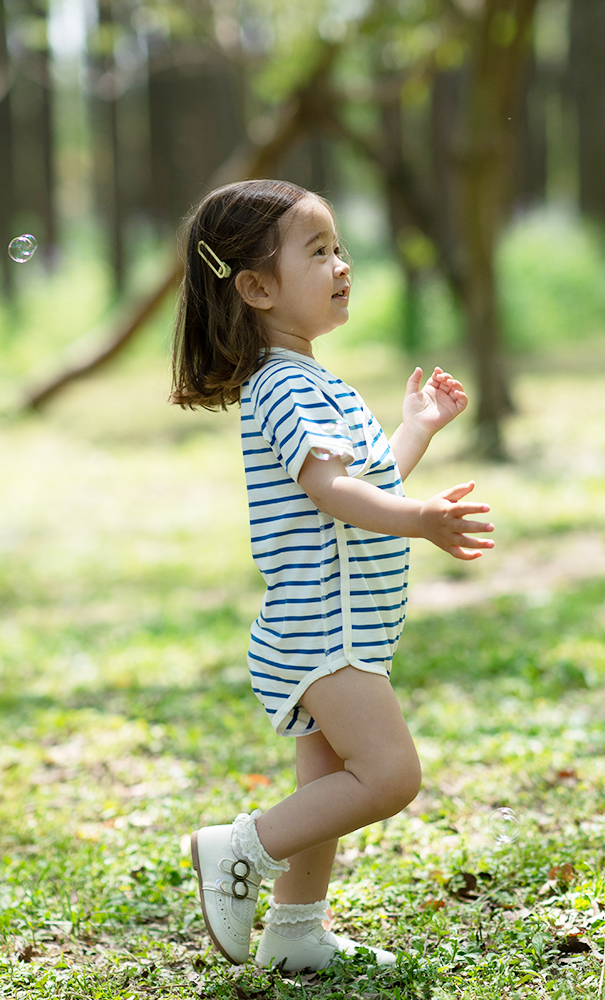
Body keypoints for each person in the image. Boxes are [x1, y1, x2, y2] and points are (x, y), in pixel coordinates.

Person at [171, 179, 494, 972]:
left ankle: (295, 934)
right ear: (256, 287)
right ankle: (238, 848)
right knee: (388, 776)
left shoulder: (313, 381)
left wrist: (413, 430)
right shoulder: (282, 385)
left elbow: (363, 481)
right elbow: (332, 493)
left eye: (340, 247)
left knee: (330, 785)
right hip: (325, 627)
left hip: (341, 622)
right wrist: (419, 518)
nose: (342, 264)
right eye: (318, 251)